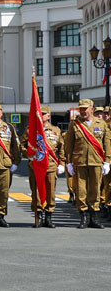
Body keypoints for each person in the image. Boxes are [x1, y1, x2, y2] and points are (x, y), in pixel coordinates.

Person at [64, 98, 111, 229]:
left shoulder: (101, 124)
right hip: (80, 162)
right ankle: (83, 216)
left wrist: (107, 161)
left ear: (92, 108)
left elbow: (107, 144)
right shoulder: (75, 124)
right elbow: (69, 145)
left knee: (95, 189)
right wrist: (68, 163)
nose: (83, 111)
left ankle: (94, 217)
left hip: (96, 161)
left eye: (85, 108)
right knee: (81, 190)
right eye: (81, 108)